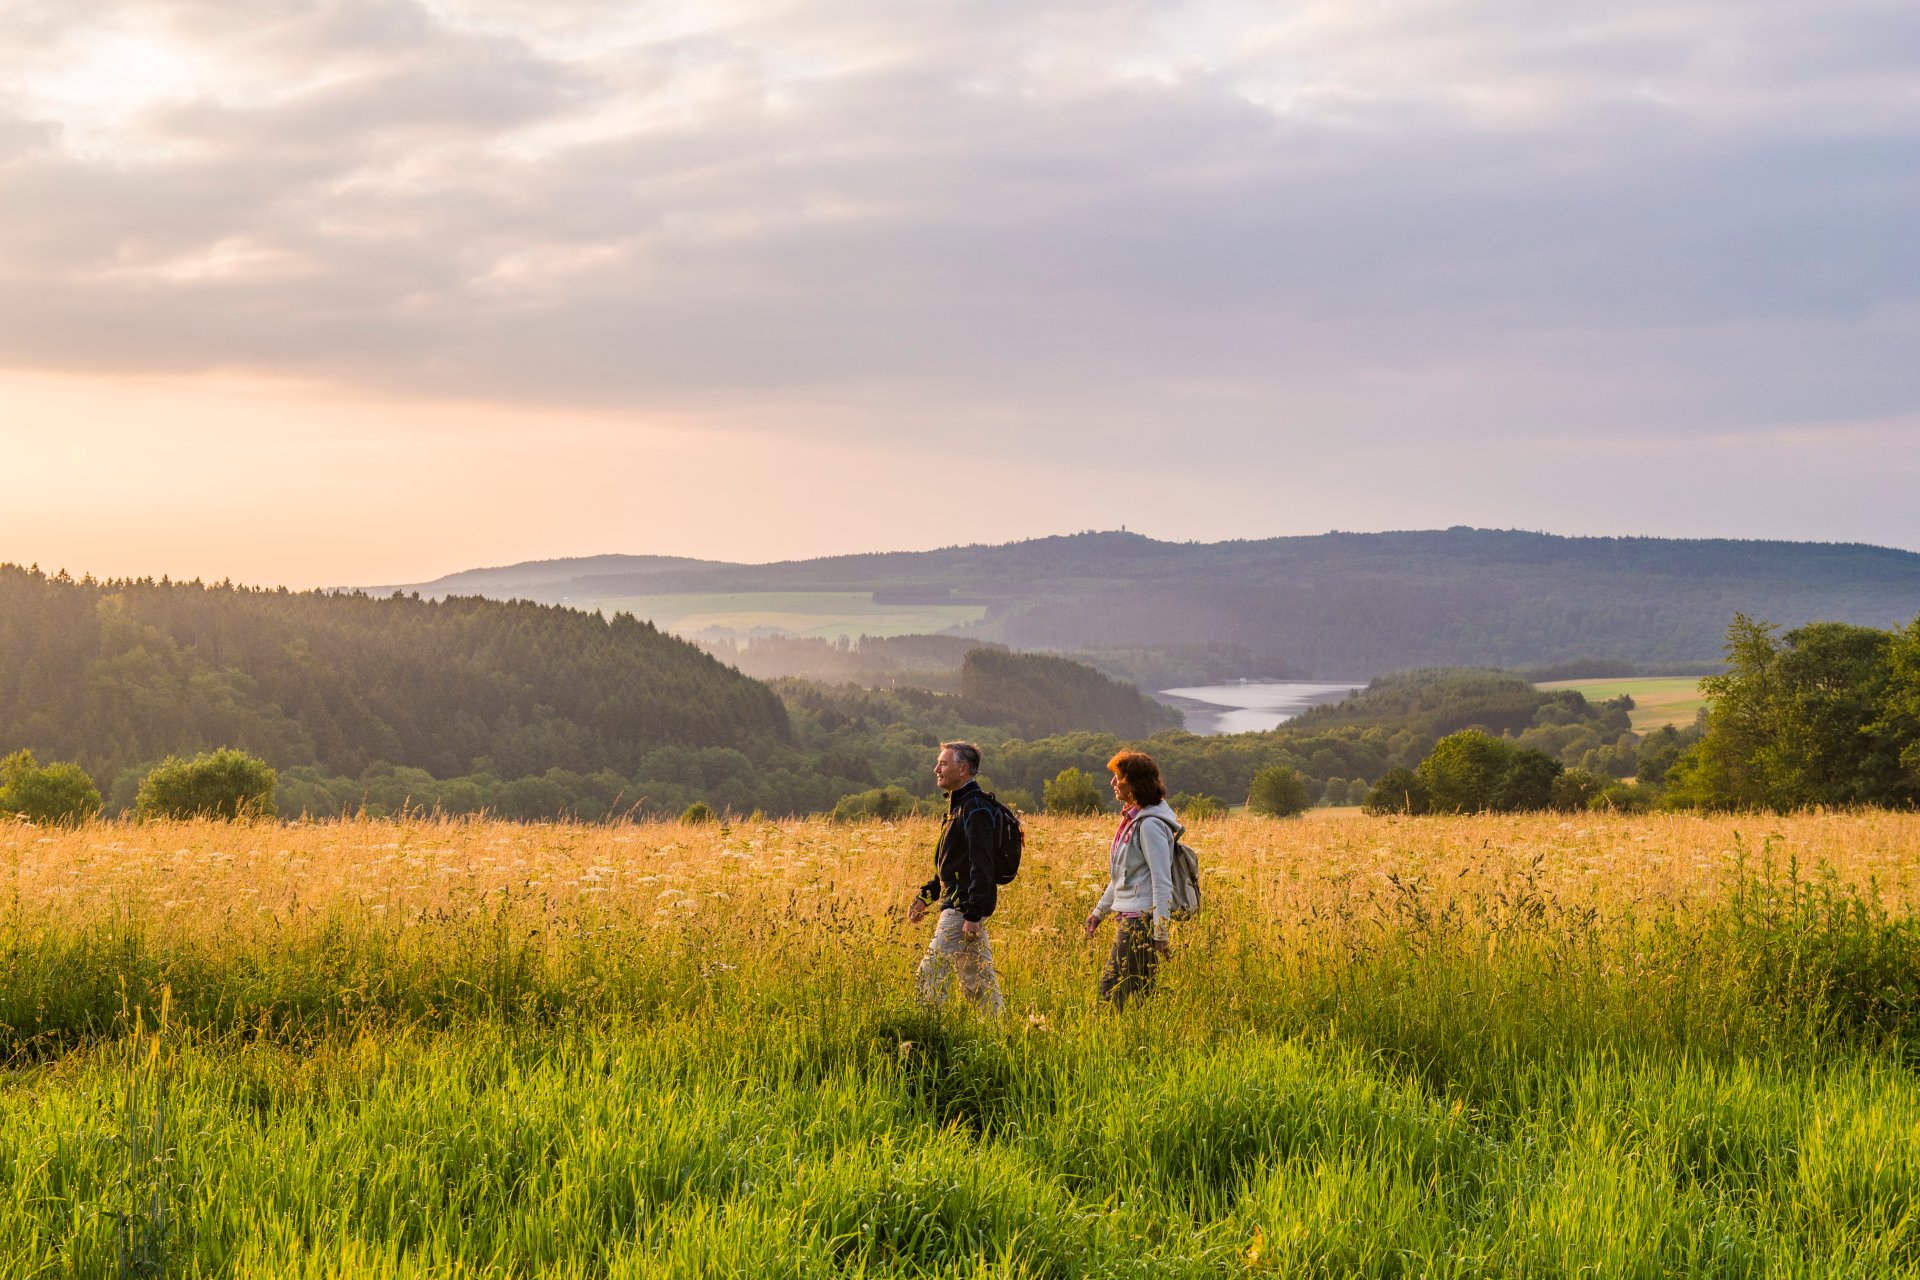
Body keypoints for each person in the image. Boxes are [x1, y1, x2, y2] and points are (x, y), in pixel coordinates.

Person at [907, 741, 1006, 1016]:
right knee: (978, 982)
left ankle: (924, 1034)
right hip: (961, 905)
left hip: (962, 909)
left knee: (930, 973)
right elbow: (950, 865)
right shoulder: (958, 806)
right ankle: (1000, 1035)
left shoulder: (975, 809)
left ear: (963, 769)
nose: (936, 768)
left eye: (943, 763)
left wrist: (972, 914)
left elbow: (982, 864)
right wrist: (925, 896)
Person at [1083, 750, 1182, 1008]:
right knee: (1139, 996)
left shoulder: (1149, 825)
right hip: (1132, 917)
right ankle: (1139, 1041)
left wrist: (1161, 932)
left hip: (1140, 922)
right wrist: (1099, 912)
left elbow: (1162, 882)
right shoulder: (1135, 819)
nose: (1112, 783)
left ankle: (1107, 1041)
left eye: (1118, 777)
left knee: (1110, 991)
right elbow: (1121, 877)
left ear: (1135, 783)